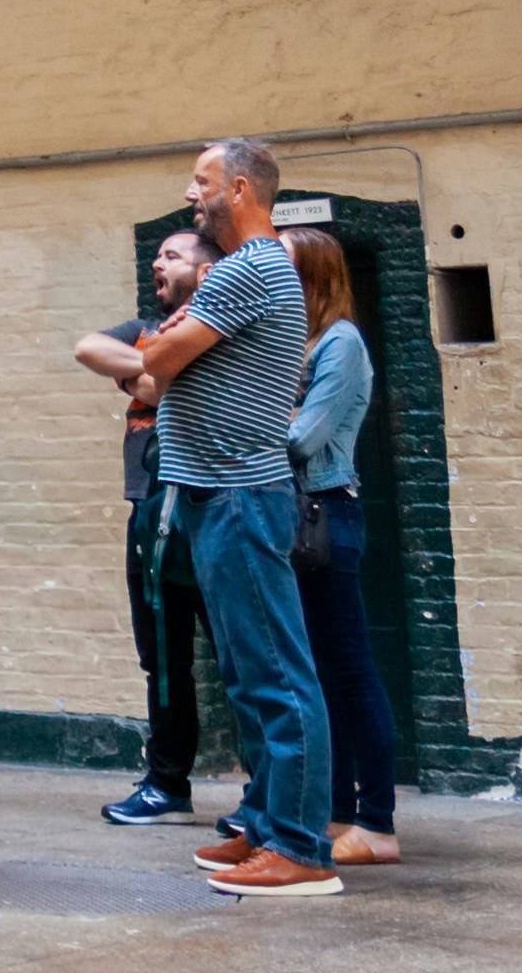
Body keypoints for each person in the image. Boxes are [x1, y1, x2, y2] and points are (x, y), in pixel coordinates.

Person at [119, 140, 342, 909]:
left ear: (240, 189)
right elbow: (158, 360)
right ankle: (264, 821)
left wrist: (161, 347)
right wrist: (160, 351)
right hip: (218, 493)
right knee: (249, 676)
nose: (191, 194)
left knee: (278, 676)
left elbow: (159, 361)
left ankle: (302, 847)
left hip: (243, 494)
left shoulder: (250, 267)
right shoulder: (247, 270)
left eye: (201, 183)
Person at [274, 228, 399, 867]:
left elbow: (303, 437)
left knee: (349, 668)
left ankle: (378, 822)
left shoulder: (341, 342)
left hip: (326, 513)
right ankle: (338, 812)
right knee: (320, 672)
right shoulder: (296, 343)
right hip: (298, 515)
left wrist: (243, 424)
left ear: (316, 279)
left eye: (285, 268)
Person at [82, 229, 213, 826]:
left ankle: (267, 794)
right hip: (149, 513)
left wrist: (157, 379)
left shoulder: (218, 324)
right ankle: (167, 784)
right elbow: (88, 349)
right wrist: (153, 367)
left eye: (173, 255)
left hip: (208, 508)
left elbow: (167, 389)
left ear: (206, 267)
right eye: (157, 254)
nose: (158, 262)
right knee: (161, 659)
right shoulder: (145, 328)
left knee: (242, 657)